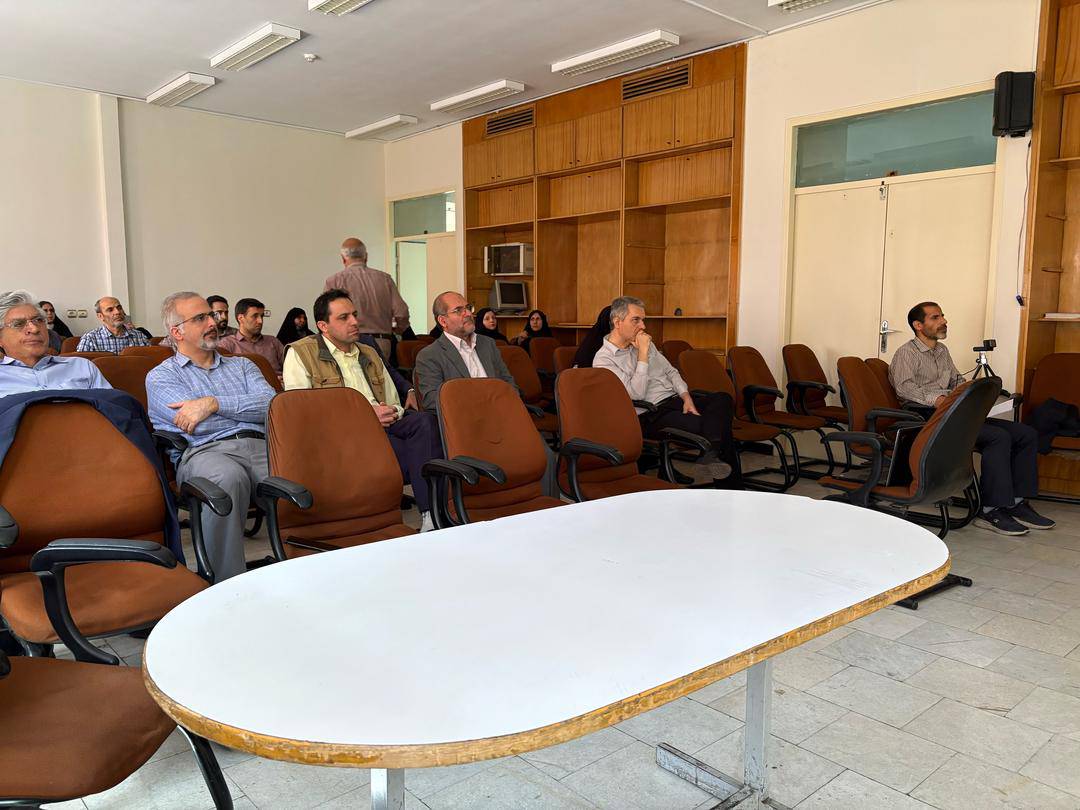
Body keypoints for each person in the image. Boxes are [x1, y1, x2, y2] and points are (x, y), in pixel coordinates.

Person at [890, 301, 1054, 536]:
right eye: (935, 317)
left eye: (942, 316)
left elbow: (956, 381)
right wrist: (938, 400)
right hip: (927, 416)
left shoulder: (941, 351)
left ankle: (1016, 502)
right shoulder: (907, 353)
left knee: (1025, 434)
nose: (944, 321)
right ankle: (989, 510)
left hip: (954, 412)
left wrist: (975, 395)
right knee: (998, 437)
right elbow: (904, 388)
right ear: (918, 325)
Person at [283, 289, 439, 531]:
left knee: (425, 421)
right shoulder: (301, 353)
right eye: (344, 317)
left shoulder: (369, 352)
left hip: (383, 426)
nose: (355, 322)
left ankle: (431, 516)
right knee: (415, 453)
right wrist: (366, 417)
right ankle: (421, 509)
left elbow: (393, 402)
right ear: (323, 326)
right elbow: (301, 413)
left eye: (354, 315)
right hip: (339, 433)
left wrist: (391, 411)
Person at [146, 291, 275, 580]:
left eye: (212, 315)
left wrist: (212, 404)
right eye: (200, 318)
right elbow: (196, 426)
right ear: (177, 332)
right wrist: (242, 409)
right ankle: (226, 583)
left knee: (300, 474)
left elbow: (271, 405)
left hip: (260, 445)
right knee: (228, 479)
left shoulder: (243, 365)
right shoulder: (161, 376)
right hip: (204, 452)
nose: (213, 322)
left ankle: (307, 569)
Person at [415, 291, 560, 498]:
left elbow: (508, 382)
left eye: (468, 308)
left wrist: (509, 405)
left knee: (544, 456)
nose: (468, 313)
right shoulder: (430, 355)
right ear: (443, 321)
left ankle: (545, 511)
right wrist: (479, 406)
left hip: (504, 418)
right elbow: (431, 400)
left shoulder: (487, 344)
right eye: (459, 310)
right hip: (467, 426)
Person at [593, 296, 742, 488]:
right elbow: (637, 394)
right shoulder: (604, 360)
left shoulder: (645, 343)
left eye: (643, 320)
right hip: (650, 414)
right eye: (636, 320)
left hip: (675, 401)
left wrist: (686, 397)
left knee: (723, 398)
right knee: (719, 427)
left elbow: (671, 371)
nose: (643, 326)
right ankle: (731, 488)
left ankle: (711, 453)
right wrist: (643, 355)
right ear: (617, 322)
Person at [0, 291, 111, 396]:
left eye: (39, 320)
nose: (34, 329)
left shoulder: (82, 367)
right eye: (18, 324)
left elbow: (112, 407)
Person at [324, 237, 410, 357]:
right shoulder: (385, 279)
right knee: (379, 369)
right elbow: (401, 313)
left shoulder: (334, 281)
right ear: (366, 256)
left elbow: (326, 315)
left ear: (343, 258)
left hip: (348, 342)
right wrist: (398, 330)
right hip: (381, 341)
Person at [217, 298, 286, 377]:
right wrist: (271, 380)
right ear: (241, 318)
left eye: (261, 316)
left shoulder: (273, 341)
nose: (260, 321)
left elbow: (291, 368)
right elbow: (224, 377)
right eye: (255, 316)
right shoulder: (227, 345)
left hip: (280, 384)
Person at [76, 297, 150, 353]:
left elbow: (150, 362)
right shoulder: (90, 339)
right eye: (110, 310)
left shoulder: (139, 336)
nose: (117, 312)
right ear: (100, 316)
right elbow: (81, 366)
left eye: (119, 308)